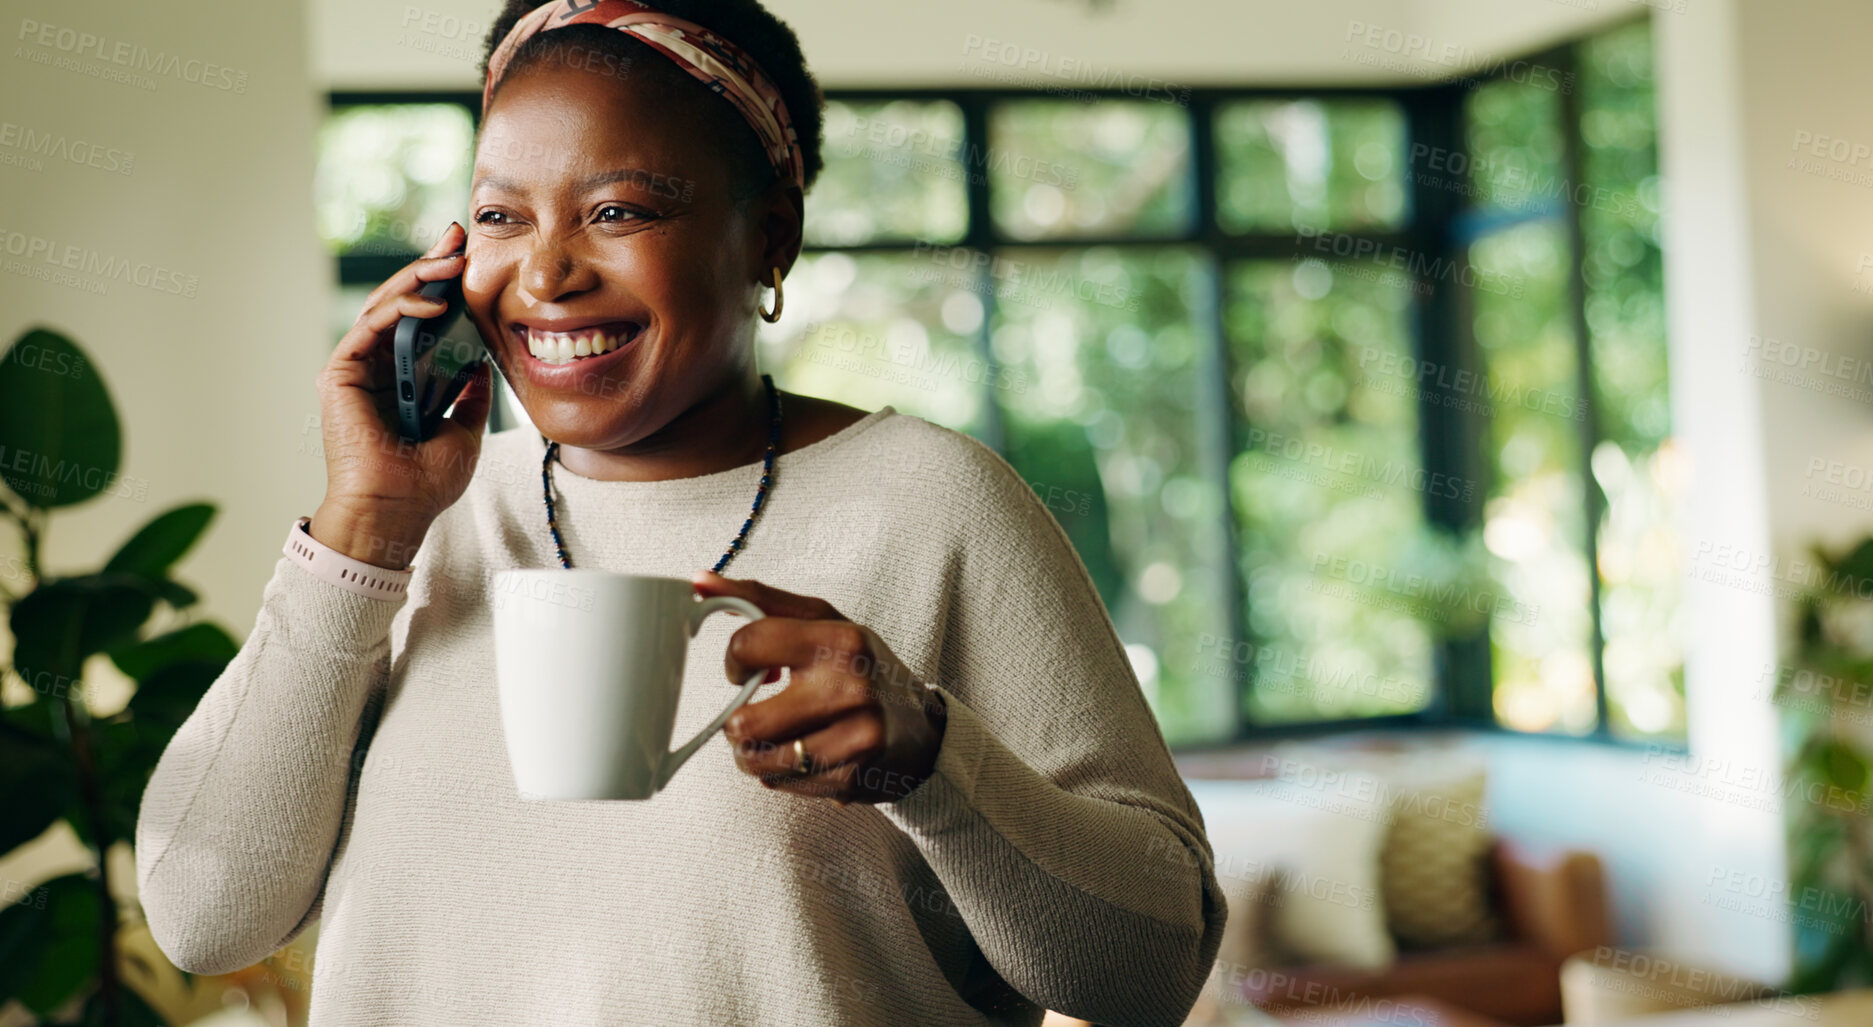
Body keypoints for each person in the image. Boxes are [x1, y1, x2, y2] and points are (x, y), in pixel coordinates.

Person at [134, 1, 1225, 1023]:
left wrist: (935, 765)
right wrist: (366, 530)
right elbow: (205, 911)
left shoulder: (932, 503)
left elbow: (1153, 971)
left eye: (619, 210)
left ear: (770, 239)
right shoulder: (419, 523)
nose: (546, 272)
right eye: (500, 215)